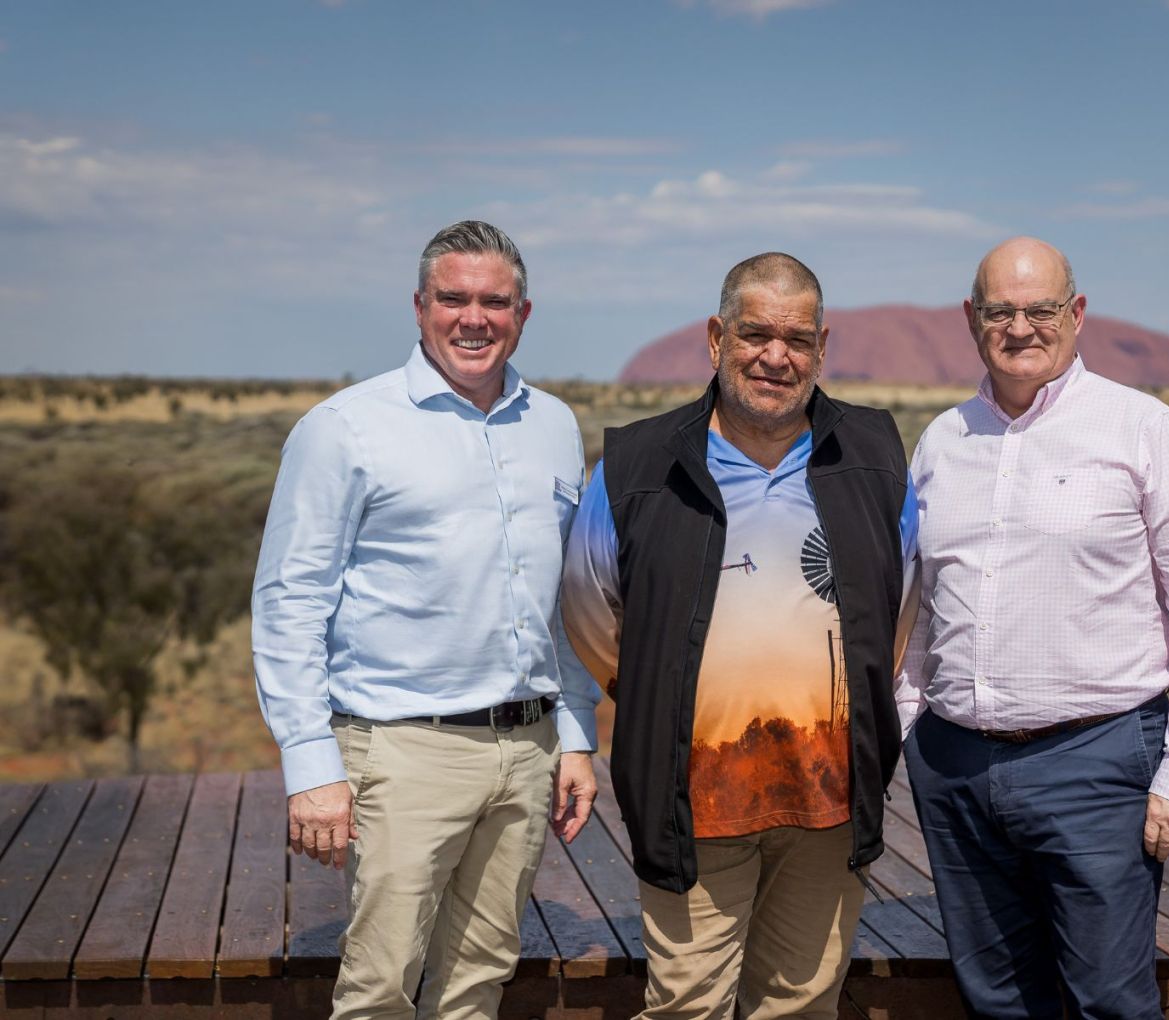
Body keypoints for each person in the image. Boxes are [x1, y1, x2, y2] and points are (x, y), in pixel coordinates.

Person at [251, 220, 602, 1020]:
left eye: (494, 301)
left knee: (479, 982)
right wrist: (310, 767)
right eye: (453, 299)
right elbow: (289, 602)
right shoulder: (345, 428)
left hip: (525, 751)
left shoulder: (553, 426)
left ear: (524, 313)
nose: (473, 318)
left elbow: (563, 598)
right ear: (419, 306)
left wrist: (575, 733)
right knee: (378, 993)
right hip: (402, 753)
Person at [561, 253, 917, 1020]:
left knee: (801, 1002)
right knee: (687, 1004)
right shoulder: (636, 467)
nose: (775, 357)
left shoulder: (877, 459)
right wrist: (667, 696)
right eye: (755, 334)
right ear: (717, 337)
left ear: (823, 348)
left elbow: (900, 608)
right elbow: (592, 612)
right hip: (695, 798)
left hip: (829, 797)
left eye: (796, 339)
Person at [897, 237, 1169, 1019]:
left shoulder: (1146, 431)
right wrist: (905, 729)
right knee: (999, 1003)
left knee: (1110, 1004)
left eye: (1041, 309)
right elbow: (923, 607)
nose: (1020, 327)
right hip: (954, 771)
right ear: (971, 319)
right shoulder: (942, 441)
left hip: (1096, 762)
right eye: (1000, 311)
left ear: (1076, 314)